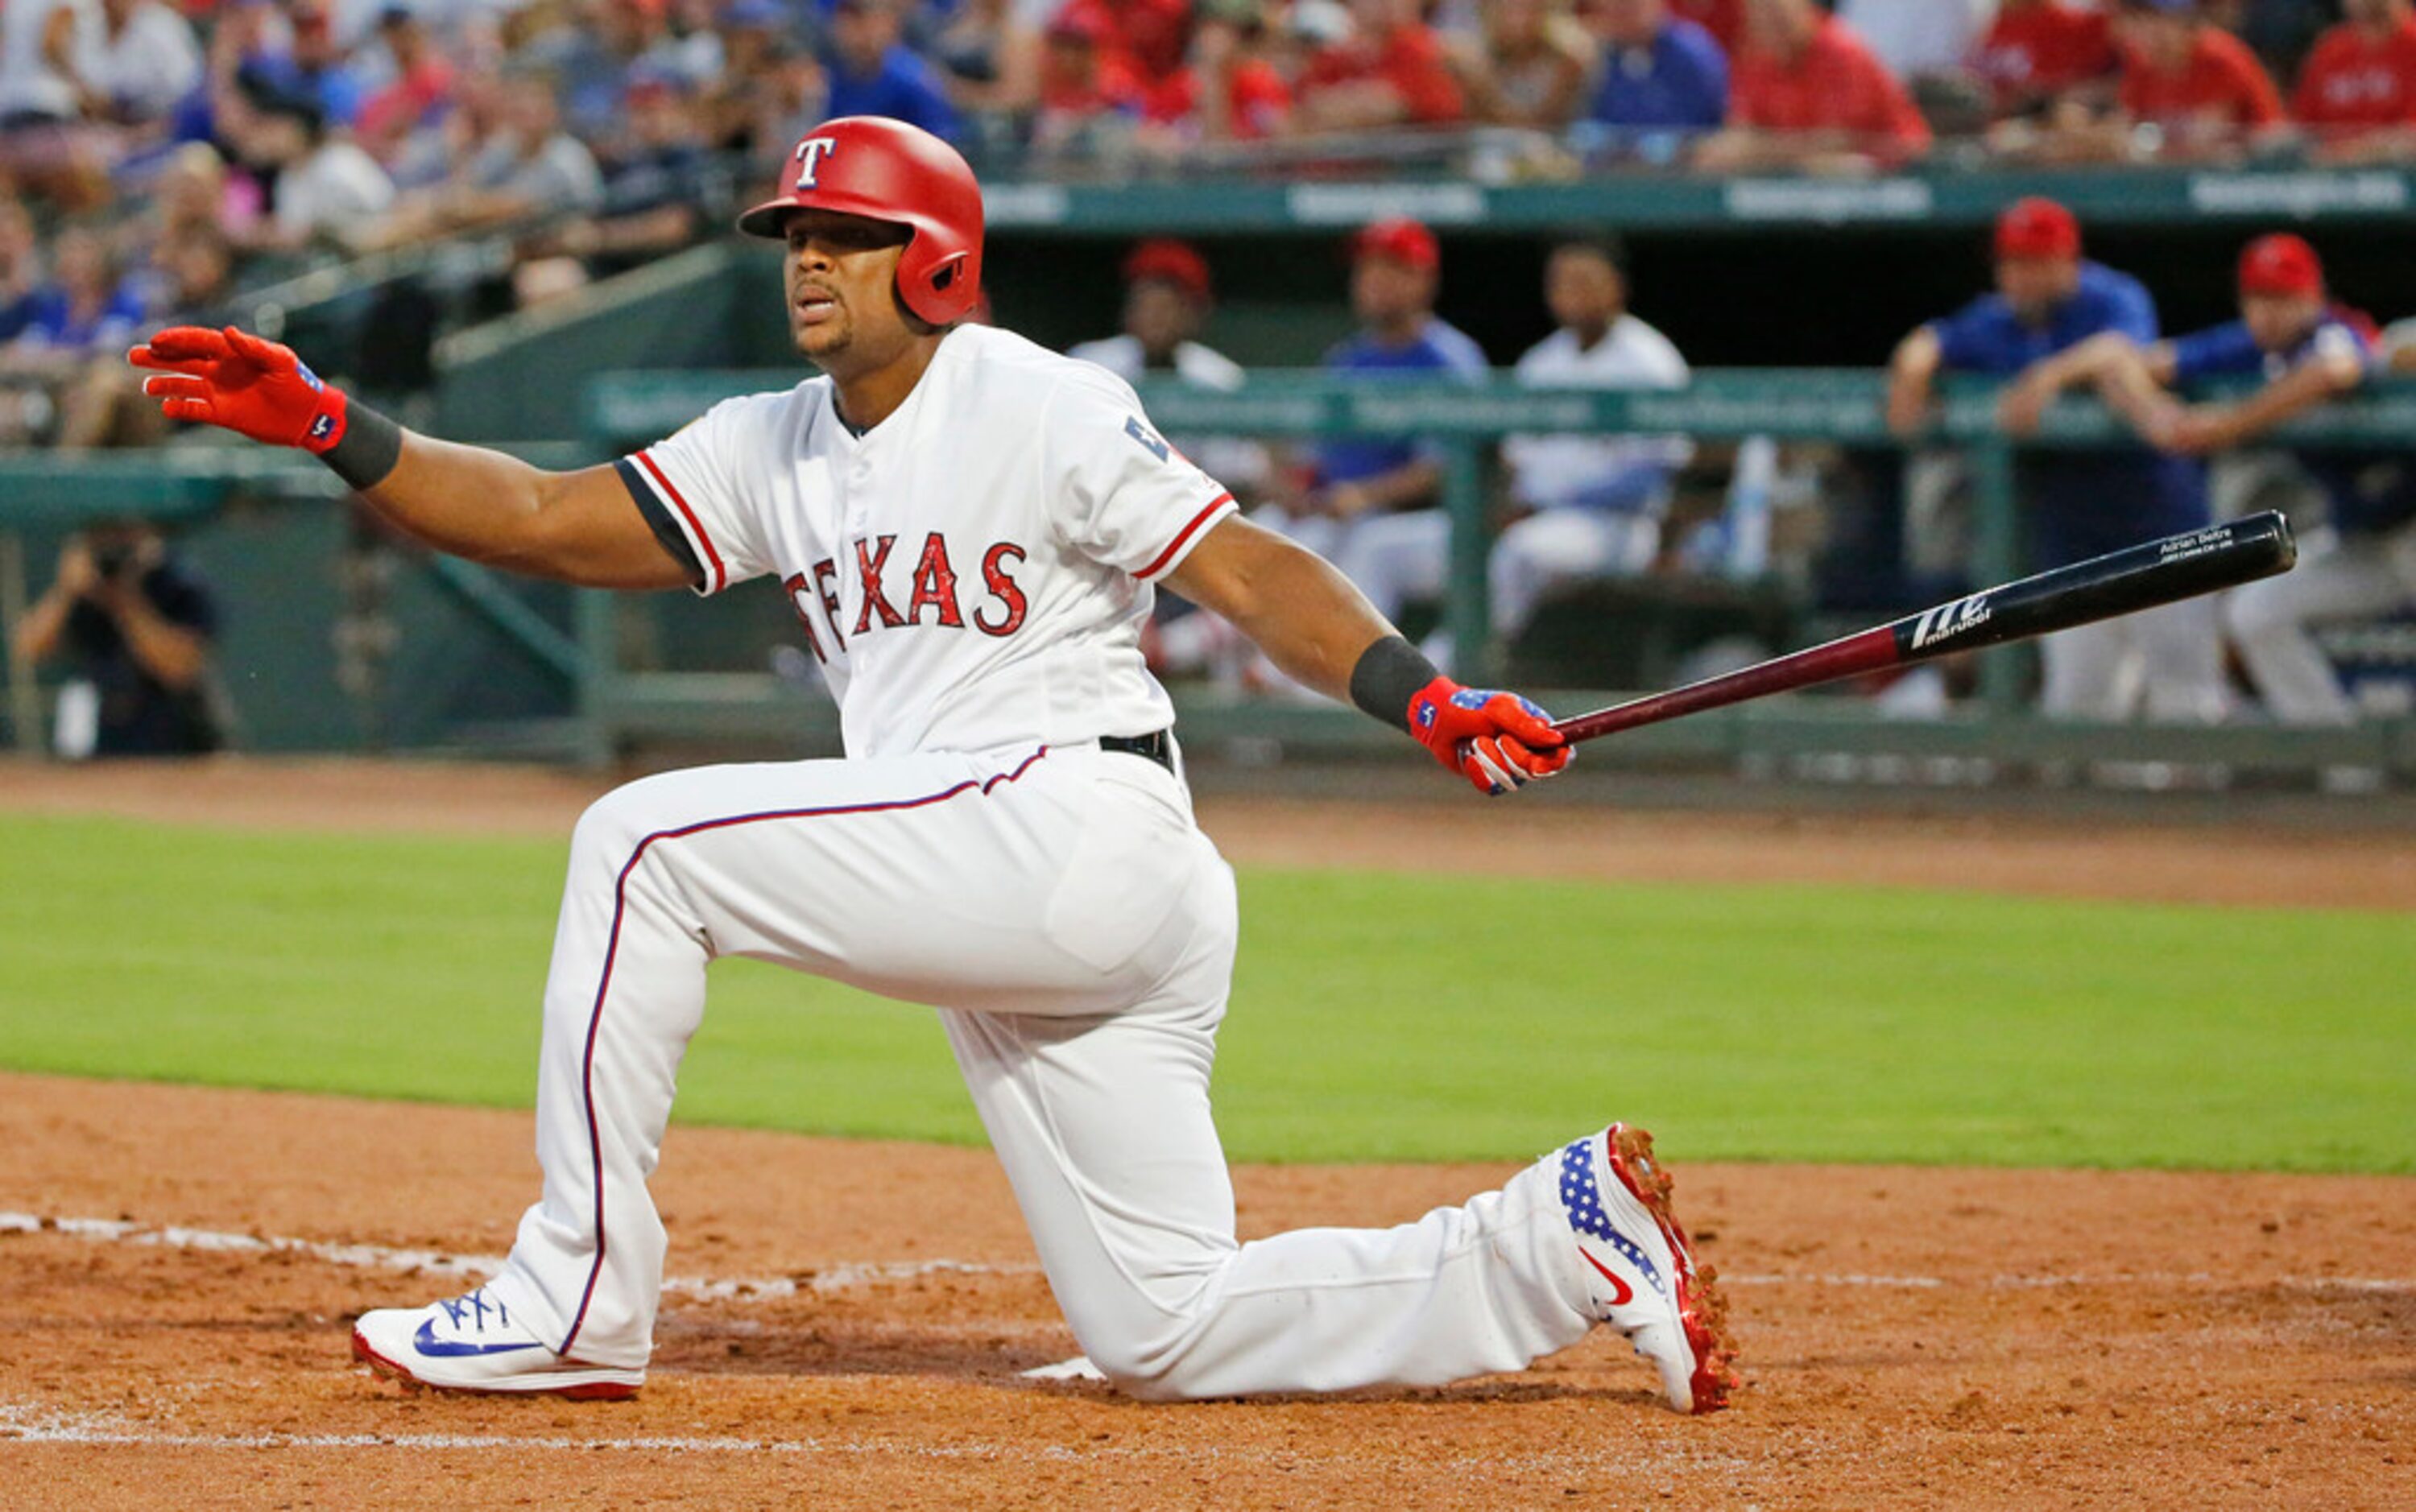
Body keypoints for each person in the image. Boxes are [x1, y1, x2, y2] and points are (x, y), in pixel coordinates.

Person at [127, 117, 1737, 1414]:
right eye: (795, 239)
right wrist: (343, 425)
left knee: (637, 843)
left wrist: (1422, 690)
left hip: (1073, 824)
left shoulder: (1034, 402)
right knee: (1163, 1330)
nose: (808, 261)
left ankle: (573, 1296)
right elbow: (547, 519)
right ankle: (1561, 1243)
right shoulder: (777, 441)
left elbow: (1245, 569)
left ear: (938, 259)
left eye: (845, 237)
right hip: (1016, 880)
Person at [1886, 197, 2221, 723]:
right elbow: (1931, 340)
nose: (2019, 277)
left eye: (2034, 263)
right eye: (2010, 263)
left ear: (2067, 262)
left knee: (2185, 703)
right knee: (2079, 708)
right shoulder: (1997, 320)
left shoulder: (2111, 296)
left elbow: (2118, 350)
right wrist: (1912, 367)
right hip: (2074, 542)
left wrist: (2047, 376)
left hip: (2162, 532)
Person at [2075, 234, 2414, 726]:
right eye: (2260, 298)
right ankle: (2338, 752)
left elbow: (2333, 372)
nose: (2271, 312)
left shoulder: (2335, 332)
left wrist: (2228, 424)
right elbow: (2123, 362)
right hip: (2368, 545)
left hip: (2409, 526)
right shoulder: (2251, 347)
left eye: (2285, 298)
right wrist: (2157, 417)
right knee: (2255, 612)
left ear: (2314, 296)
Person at [1325, 239, 1693, 671]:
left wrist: (1546, 505)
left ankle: (1431, 684)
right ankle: (1341, 680)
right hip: (1526, 517)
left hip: (1610, 526)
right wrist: (1497, 507)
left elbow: (1649, 479)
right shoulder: (1543, 362)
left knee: (1523, 551)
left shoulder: (1649, 361)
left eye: (1585, 281)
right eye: (1561, 281)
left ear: (1617, 288)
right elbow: (1513, 460)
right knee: (1380, 545)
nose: (1571, 292)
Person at [12, 523, 221, 758]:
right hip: (104, 743)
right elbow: (29, 647)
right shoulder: (85, 591)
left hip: (175, 742)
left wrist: (127, 601)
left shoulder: (176, 581)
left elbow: (179, 669)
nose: (113, 550)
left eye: (123, 536)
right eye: (102, 537)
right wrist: (65, 591)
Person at [1693, 0, 1932, 171]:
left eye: (1779, 13)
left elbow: (1837, 141)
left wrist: (1760, 150)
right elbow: (1741, 132)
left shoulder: (1841, 50)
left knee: (1839, 168)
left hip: (1897, 175)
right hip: (1800, 179)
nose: (1772, 23)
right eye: (1761, 13)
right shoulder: (1757, 57)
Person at [2111, 0, 2285, 157]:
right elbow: (2124, 128)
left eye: (2155, 19)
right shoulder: (2142, 65)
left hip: (2253, 177)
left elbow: (2203, 142)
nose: (2145, 32)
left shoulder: (2217, 57)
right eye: (2137, 20)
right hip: (2187, 175)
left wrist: (2141, 144)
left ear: (2184, 22)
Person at [2290, 0, 2416, 162]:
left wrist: (2359, 153)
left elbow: (2410, 137)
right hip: (2331, 177)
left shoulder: (2411, 45)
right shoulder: (2329, 49)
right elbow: (2302, 129)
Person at [1585, 0, 1731, 139]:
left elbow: (1710, 126)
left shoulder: (1693, 53)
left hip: (1682, 160)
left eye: (1631, 4)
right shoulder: (1595, 56)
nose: (1621, 8)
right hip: (1609, 161)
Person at [823, 0, 960, 142]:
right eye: (847, 25)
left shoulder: (913, 81)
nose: (856, 36)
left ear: (889, 25)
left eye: (865, 24)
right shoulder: (832, 79)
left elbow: (939, 144)